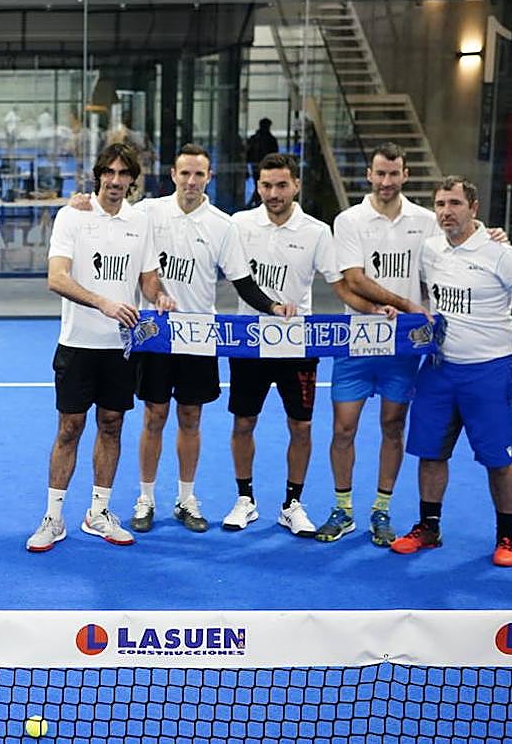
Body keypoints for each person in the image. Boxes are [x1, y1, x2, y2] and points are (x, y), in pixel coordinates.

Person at [130, 144, 295, 535]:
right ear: (172, 175)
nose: (191, 181)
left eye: (198, 175)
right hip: (157, 337)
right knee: (154, 417)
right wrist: (83, 203)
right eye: (184, 173)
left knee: (191, 418)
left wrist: (273, 307)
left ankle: (186, 499)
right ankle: (145, 498)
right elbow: (112, 222)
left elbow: (242, 282)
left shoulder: (223, 225)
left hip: (200, 338)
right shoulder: (147, 213)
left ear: (209, 178)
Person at [223, 153, 389, 537]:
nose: (273, 193)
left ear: (296, 185)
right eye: (266, 185)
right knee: (243, 421)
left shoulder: (317, 231)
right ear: (257, 186)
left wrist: (375, 310)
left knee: (301, 425)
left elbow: (340, 285)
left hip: (299, 345)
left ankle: (292, 503)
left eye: (281, 185)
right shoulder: (238, 224)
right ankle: (244, 499)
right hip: (250, 343)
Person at [395, 177, 512, 566]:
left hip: (489, 373)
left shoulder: (502, 254)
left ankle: (507, 536)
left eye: (454, 203)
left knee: (498, 460)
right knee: (430, 454)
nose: (446, 211)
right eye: (439, 204)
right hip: (438, 369)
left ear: (474, 208)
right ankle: (428, 528)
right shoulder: (431, 250)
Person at [25, 143, 175, 553]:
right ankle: (53, 517)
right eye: (108, 172)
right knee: (69, 429)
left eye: (123, 173)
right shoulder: (73, 215)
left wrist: (159, 295)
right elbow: (56, 278)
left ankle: (98, 513)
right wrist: (104, 302)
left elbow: (147, 279)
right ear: (98, 176)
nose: (114, 180)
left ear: (131, 179)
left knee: (112, 424)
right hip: (77, 345)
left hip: (122, 348)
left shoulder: (140, 221)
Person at [315, 143, 437, 546]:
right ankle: (343, 508)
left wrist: (493, 236)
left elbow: (445, 259)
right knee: (343, 428)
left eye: (394, 174)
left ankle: (381, 510)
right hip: (358, 340)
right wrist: (401, 304)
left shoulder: (426, 220)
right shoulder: (349, 220)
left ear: (405, 175)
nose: (386, 182)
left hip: (402, 346)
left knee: (392, 425)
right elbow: (354, 279)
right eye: (380, 174)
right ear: (369, 175)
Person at [244, 118, 279, 206]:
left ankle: (255, 202)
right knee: (260, 184)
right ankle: (256, 202)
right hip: (259, 166)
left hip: (263, 166)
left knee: (261, 185)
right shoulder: (267, 139)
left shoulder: (261, 139)